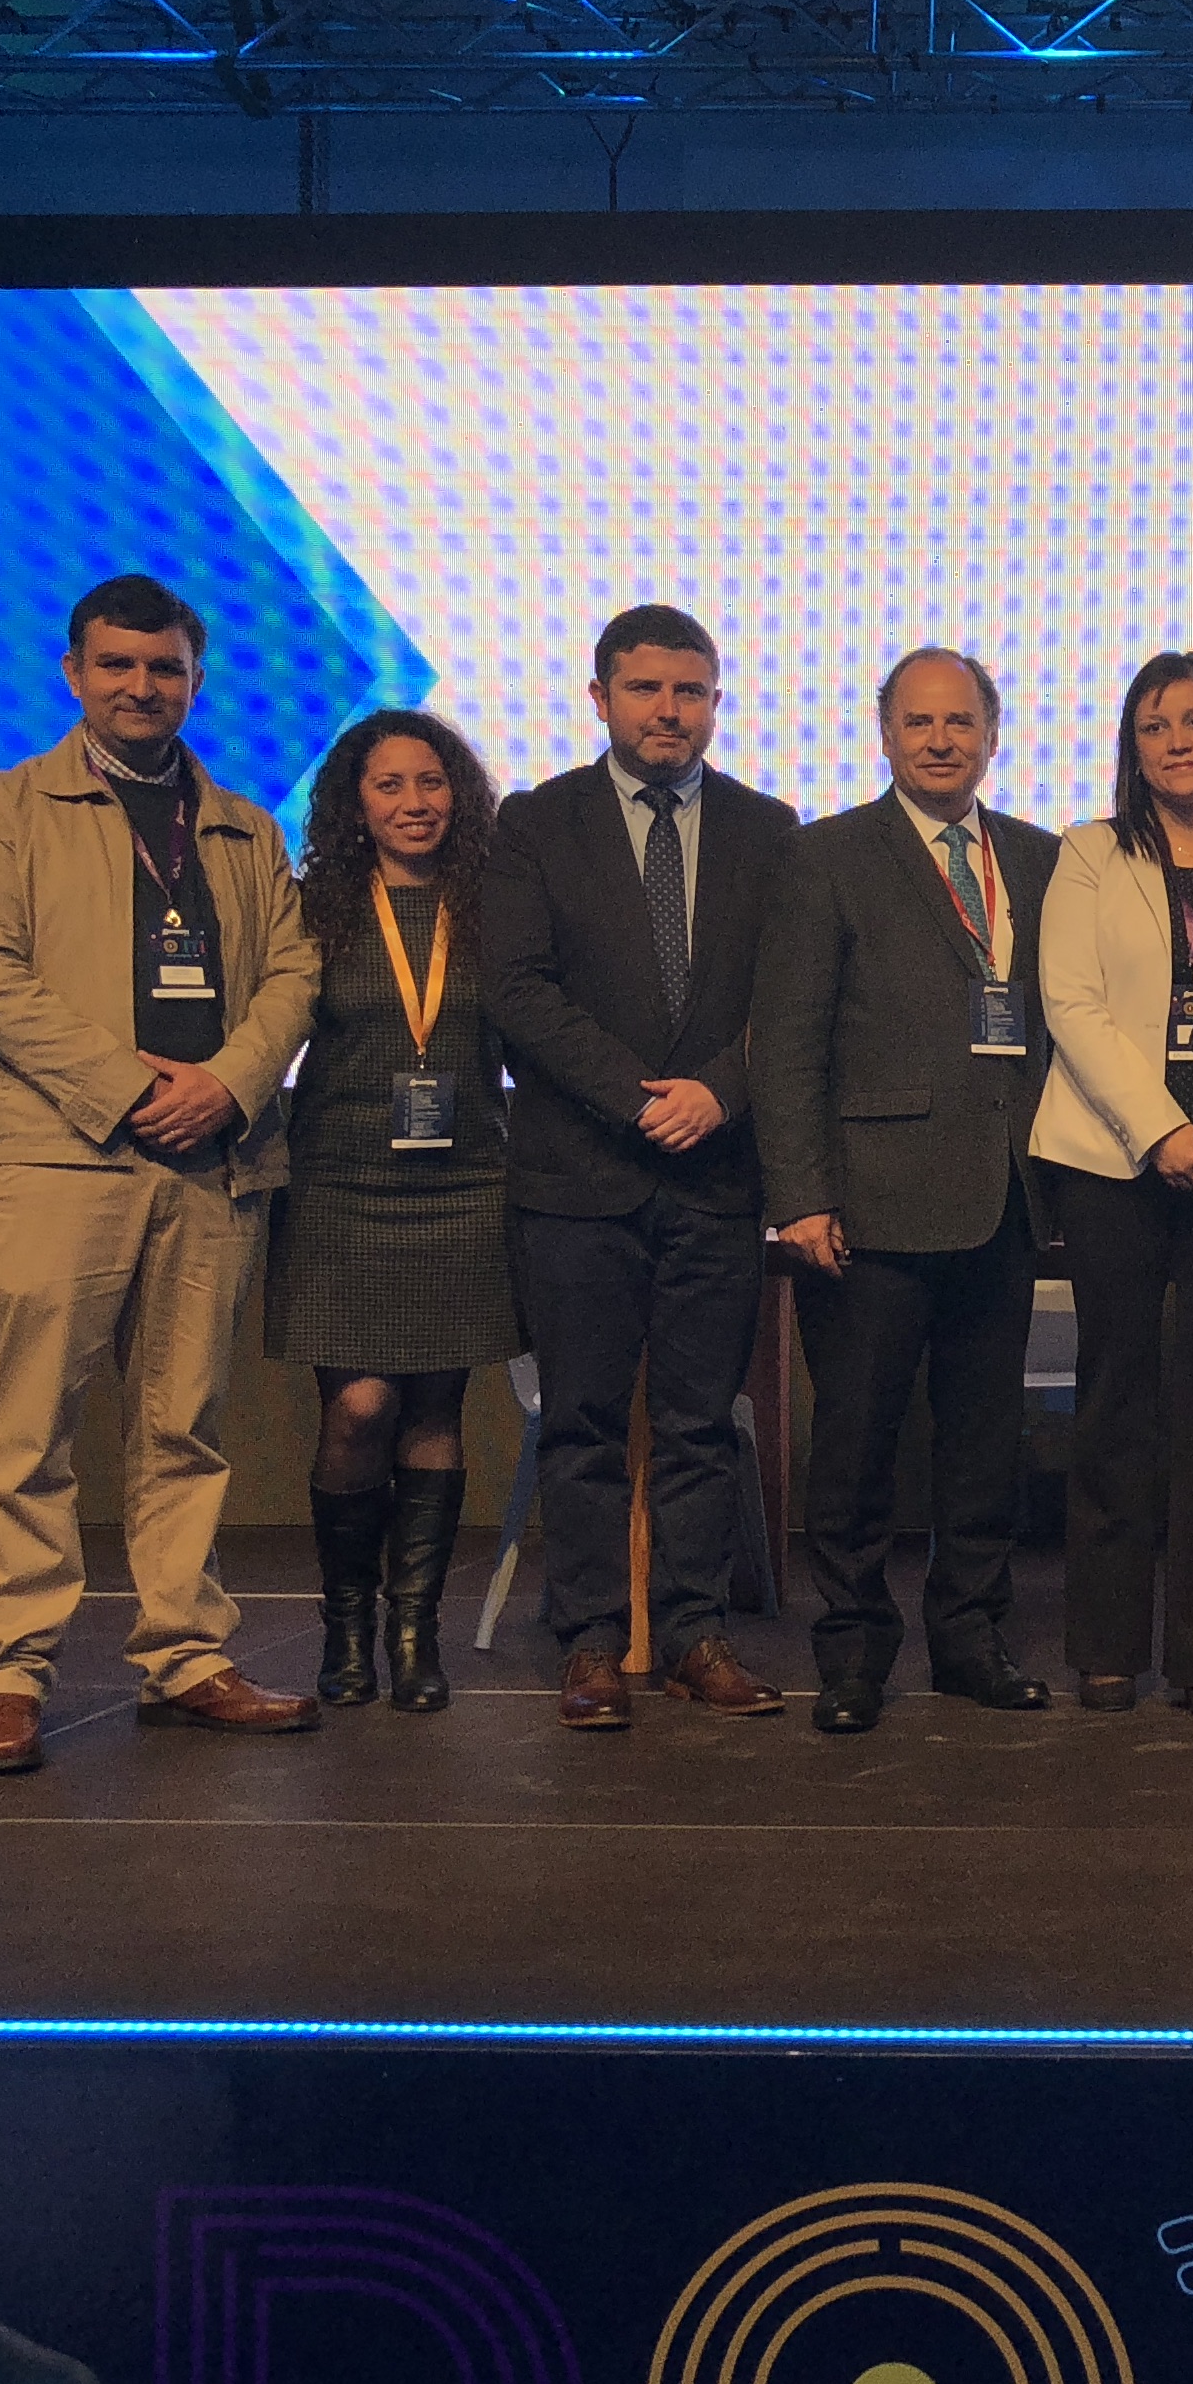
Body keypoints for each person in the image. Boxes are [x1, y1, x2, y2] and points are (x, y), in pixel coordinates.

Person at [0, 572, 325, 1777]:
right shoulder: (5, 808)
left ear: (195, 681)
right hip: (64, 1154)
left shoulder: (246, 826)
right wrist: (127, 1086)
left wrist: (231, 1083)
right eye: (117, 664)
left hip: (213, 1158)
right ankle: (6, 1673)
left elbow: (295, 975)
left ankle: (187, 1654)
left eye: (164, 668)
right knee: (28, 1427)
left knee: (185, 1425)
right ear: (75, 674)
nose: (141, 686)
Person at [485, 604, 799, 1732]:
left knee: (700, 1425)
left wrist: (719, 1090)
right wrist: (637, 1098)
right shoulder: (536, 823)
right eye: (646, 690)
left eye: (690, 692)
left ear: (715, 702)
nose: (669, 711)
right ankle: (590, 1643)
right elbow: (515, 989)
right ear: (601, 698)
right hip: (578, 1179)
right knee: (580, 1422)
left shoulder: (770, 829)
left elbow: (792, 1000)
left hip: (716, 1177)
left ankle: (693, 1636)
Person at [754, 647, 1062, 1734]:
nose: (940, 741)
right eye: (919, 722)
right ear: (884, 734)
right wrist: (801, 1195)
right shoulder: (827, 856)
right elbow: (786, 1041)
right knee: (857, 1445)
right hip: (868, 1206)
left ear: (993, 734)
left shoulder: (1039, 858)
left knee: (985, 1443)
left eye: (960, 722)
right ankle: (851, 1652)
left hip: (1004, 1197)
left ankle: (972, 1639)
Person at [267, 709, 522, 1718]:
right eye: (390, 786)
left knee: (433, 1414)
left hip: (465, 1189)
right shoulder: (314, 911)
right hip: (340, 1188)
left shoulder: (495, 907)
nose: (414, 804)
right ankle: (345, 1625)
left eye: (431, 782)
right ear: (354, 804)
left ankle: (414, 1636)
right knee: (360, 1409)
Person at [1029, 653, 1193, 1719]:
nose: (1178, 742)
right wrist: (1161, 1129)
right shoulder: (1090, 851)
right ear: (1132, 747)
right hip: (1110, 1160)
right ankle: (1107, 1647)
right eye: (1155, 726)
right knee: (1117, 1400)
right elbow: (1071, 1005)